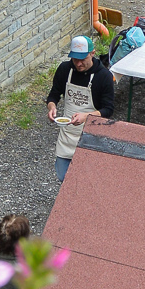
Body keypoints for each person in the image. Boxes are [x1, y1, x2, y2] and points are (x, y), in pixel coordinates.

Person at [46, 36, 116, 182]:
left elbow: (108, 109)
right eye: (75, 59)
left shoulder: (104, 76)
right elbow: (54, 95)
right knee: (63, 177)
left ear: (92, 53)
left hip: (91, 135)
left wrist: (87, 116)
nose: (78, 64)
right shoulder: (65, 69)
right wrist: (52, 107)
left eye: (82, 59)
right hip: (67, 135)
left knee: (86, 180)